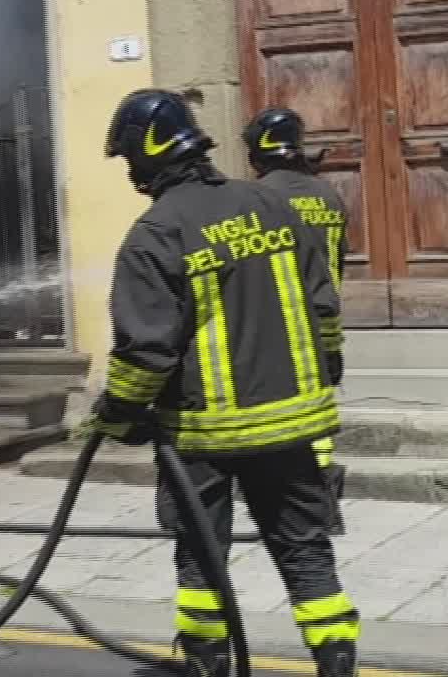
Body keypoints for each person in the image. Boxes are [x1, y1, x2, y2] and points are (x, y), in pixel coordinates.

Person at [90, 89, 357, 677]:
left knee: (202, 560)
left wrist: (116, 413)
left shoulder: (156, 233)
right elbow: (323, 306)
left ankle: (209, 662)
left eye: (131, 157)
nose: (131, 170)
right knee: (306, 549)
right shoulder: (270, 205)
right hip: (294, 424)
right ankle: (337, 661)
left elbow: (145, 350)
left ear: (150, 151)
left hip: (204, 435)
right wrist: (328, 364)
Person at [244, 107, 352, 535]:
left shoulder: (258, 198)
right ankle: (323, 497)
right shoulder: (329, 195)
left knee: (284, 421)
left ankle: (297, 506)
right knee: (320, 416)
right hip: (324, 325)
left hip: (278, 325)